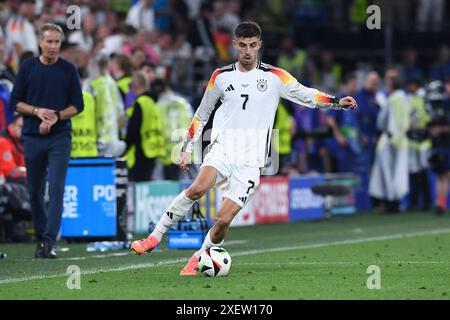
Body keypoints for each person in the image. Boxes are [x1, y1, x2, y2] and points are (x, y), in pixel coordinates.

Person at [131, 22, 357, 275]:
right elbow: (201, 114)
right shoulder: (220, 76)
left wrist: (337, 102)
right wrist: (186, 147)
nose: (248, 51)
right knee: (197, 189)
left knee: (223, 220)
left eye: (252, 45)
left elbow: (307, 95)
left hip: (251, 161)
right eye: (242, 46)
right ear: (235, 45)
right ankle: (154, 236)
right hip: (223, 149)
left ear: (259, 45)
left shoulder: (275, 77)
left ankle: (200, 255)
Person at [9, 23, 84, 258]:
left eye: (56, 42)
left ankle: (49, 241)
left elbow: (78, 105)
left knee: (57, 189)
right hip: (32, 135)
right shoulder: (28, 67)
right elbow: (15, 102)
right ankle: (41, 236)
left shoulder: (68, 69)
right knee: (34, 191)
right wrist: (37, 111)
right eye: (49, 41)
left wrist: (56, 117)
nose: (53, 46)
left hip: (59, 136)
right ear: (40, 42)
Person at [124, 72, 164, 181]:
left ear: (135, 86)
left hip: (140, 152)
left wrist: (126, 146)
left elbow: (133, 130)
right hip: (152, 150)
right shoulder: (153, 102)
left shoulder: (140, 103)